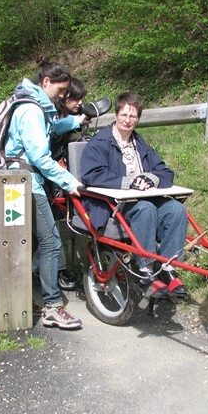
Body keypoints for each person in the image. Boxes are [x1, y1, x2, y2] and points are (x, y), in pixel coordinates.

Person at [80, 92, 188, 299]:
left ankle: (168, 267)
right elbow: (92, 174)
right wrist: (130, 184)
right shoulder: (100, 142)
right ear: (116, 114)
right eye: (124, 115)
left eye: (133, 116)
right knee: (145, 209)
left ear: (138, 118)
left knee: (176, 209)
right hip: (112, 203)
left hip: (144, 198)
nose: (128, 120)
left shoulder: (141, 144)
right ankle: (145, 269)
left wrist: (150, 179)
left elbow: (165, 172)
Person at [4, 59, 83, 330]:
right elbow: (39, 155)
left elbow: (49, 129)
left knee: (19, 241)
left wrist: (74, 121)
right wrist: (69, 180)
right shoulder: (31, 110)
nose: (63, 95)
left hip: (14, 183)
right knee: (50, 242)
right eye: (61, 90)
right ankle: (52, 306)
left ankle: (14, 300)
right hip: (28, 184)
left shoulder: (32, 105)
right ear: (45, 82)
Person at [33, 77, 89, 291]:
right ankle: (44, 273)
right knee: (46, 230)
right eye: (76, 98)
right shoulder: (46, 114)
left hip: (54, 176)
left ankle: (56, 270)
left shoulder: (59, 114)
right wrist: (74, 122)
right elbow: (53, 131)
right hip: (45, 177)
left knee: (53, 226)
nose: (79, 103)